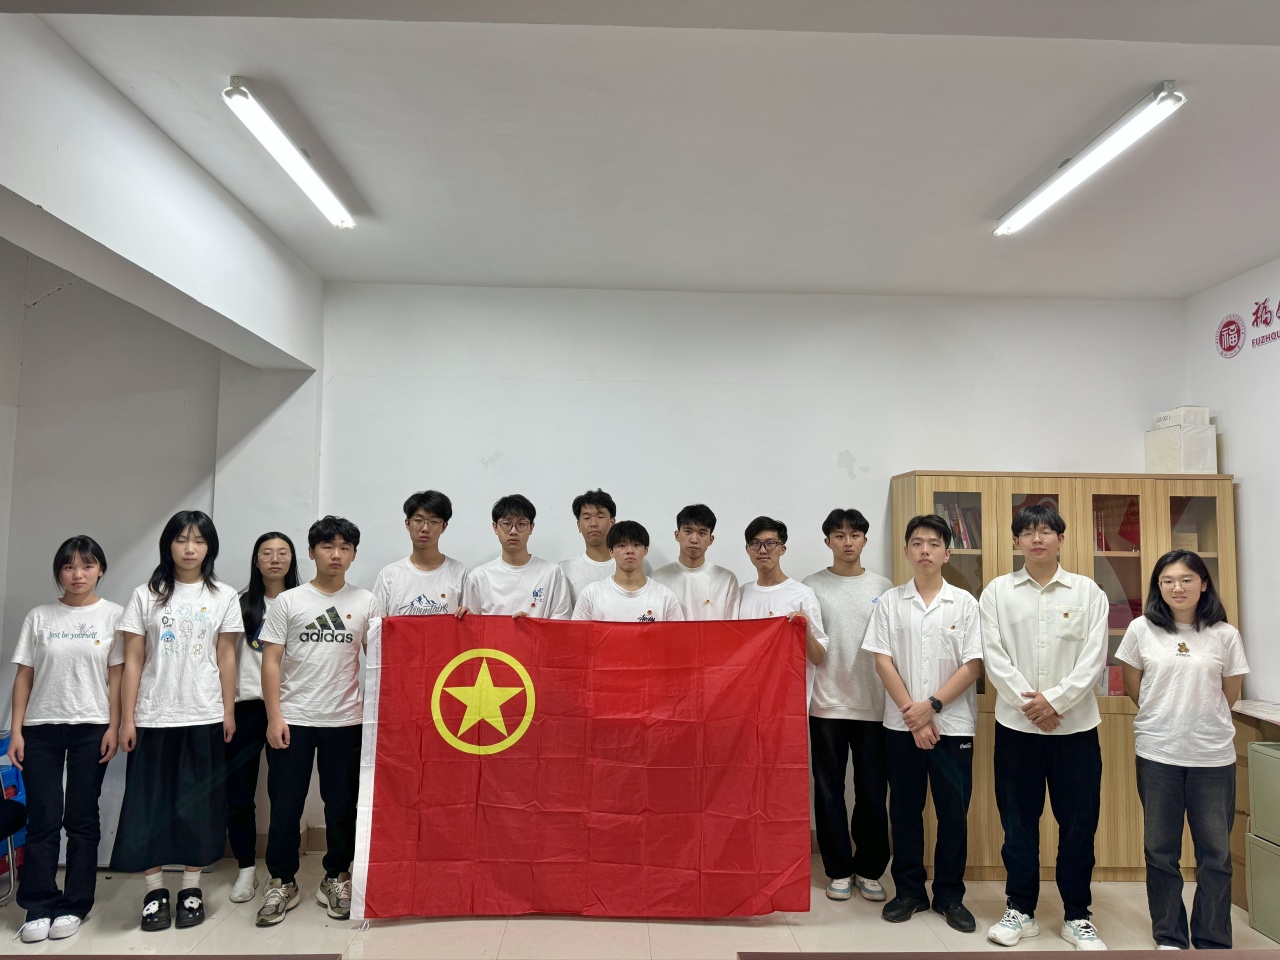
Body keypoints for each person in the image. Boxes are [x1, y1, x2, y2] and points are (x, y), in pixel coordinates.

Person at [981, 504, 1109, 950]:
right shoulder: (997, 592)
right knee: (1017, 823)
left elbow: (1094, 657)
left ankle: (1077, 915)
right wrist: (1033, 705)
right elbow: (994, 656)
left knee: (1078, 824)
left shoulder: (1088, 592)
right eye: (1028, 532)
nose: (1037, 538)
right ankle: (1020, 910)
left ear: (1061, 539)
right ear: (1016, 541)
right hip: (1016, 730)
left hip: (1076, 730)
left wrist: (1055, 701)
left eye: (1046, 531)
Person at [112, 511, 242, 932]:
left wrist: (228, 710)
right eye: (182, 539)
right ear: (168, 544)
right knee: (147, 803)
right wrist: (127, 718)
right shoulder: (145, 595)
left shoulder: (223, 595)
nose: (190, 548)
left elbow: (226, 656)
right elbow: (133, 660)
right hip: (153, 714)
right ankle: (153, 891)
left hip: (203, 712)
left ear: (209, 548)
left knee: (198, 804)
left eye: (199, 541)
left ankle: (190, 888)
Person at [1116, 550, 1248, 951]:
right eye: (1168, 580)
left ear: (1203, 584)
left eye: (1187, 579)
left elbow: (1229, 694)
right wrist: (1167, 716)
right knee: (1160, 851)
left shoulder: (1225, 634)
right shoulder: (1141, 629)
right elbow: (1135, 688)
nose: (1178, 587)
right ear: (1158, 586)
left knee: (1216, 854)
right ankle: (1170, 936)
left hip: (1212, 758)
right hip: (1159, 754)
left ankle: (1211, 938)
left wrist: (1199, 719)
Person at [861, 514, 982, 932]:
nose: (925, 550)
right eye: (917, 543)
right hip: (902, 727)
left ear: (947, 553)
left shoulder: (965, 603)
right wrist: (914, 717)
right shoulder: (890, 602)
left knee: (953, 814)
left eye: (933, 543)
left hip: (954, 727)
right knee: (905, 811)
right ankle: (909, 891)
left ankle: (949, 895)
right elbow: (882, 661)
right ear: (907, 551)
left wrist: (931, 706)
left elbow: (973, 665)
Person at [256, 516, 378, 927]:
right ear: (311, 552)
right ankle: (282, 880)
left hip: (346, 721)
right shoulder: (289, 601)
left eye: (344, 547)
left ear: (354, 554)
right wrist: (274, 716)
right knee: (285, 806)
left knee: (341, 806)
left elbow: (379, 658)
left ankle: (337, 876)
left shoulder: (366, 601)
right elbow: (271, 661)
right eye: (327, 546)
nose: (336, 554)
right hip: (294, 720)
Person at [9, 536, 124, 943]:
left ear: (101, 570)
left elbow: (117, 678)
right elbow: (24, 676)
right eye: (69, 566)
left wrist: (114, 726)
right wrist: (16, 730)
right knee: (43, 818)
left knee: (81, 819)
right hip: (40, 728)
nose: (78, 574)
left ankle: (75, 904)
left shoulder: (114, 616)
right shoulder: (40, 616)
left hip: (92, 727)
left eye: (87, 565)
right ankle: (38, 905)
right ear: (59, 571)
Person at [801, 509, 893, 904]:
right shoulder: (811, 586)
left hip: (874, 704)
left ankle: (869, 870)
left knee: (872, 792)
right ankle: (838, 869)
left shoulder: (883, 587)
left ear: (865, 540)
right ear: (828, 542)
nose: (847, 542)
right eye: (839, 535)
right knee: (828, 791)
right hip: (825, 704)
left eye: (855, 535)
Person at [226, 532, 300, 904]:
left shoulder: (303, 602)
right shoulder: (239, 604)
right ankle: (245, 868)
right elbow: (225, 659)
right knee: (239, 792)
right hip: (246, 708)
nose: (274, 559)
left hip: (289, 707)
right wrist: (227, 709)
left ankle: (280, 873)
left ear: (293, 559)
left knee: (284, 794)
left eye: (282, 552)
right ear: (256, 561)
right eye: (266, 553)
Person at [736, 516, 828, 708]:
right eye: (755, 544)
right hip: (747, 702)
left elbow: (819, 658)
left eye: (770, 543)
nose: (762, 550)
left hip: (788, 704)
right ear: (747, 549)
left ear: (782, 549)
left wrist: (806, 631)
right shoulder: (742, 594)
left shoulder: (802, 594)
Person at [460, 495, 573, 619]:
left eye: (521, 524)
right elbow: (472, 626)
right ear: (495, 527)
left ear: (531, 527)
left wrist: (532, 626)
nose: (513, 531)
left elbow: (562, 623)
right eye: (506, 524)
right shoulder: (479, 576)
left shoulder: (552, 572)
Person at [372, 489, 468, 616]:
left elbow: (469, 620)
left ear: (444, 526)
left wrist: (468, 615)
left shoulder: (460, 573)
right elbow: (376, 622)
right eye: (418, 520)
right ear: (407, 524)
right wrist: (378, 621)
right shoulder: (389, 575)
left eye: (434, 522)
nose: (425, 528)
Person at [572, 520, 683, 622]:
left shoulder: (665, 596)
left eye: (636, 545)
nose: (630, 551)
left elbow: (677, 635)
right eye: (622, 545)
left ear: (646, 550)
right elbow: (577, 635)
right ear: (611, 551)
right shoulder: (591, 594)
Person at [558, 489, 650, 602]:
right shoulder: (565, 569)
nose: (593, 523)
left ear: (612, 522)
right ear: (579, 525)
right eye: (586, 518)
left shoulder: (636, 561)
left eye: (600, 516)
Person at [651, 504, 741, 619]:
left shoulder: (726, 580)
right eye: (688, 531)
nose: (694, 540)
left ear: (711, 539)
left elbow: (731, 626)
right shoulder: (657, 579)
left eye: (702, 533)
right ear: (677, 535)